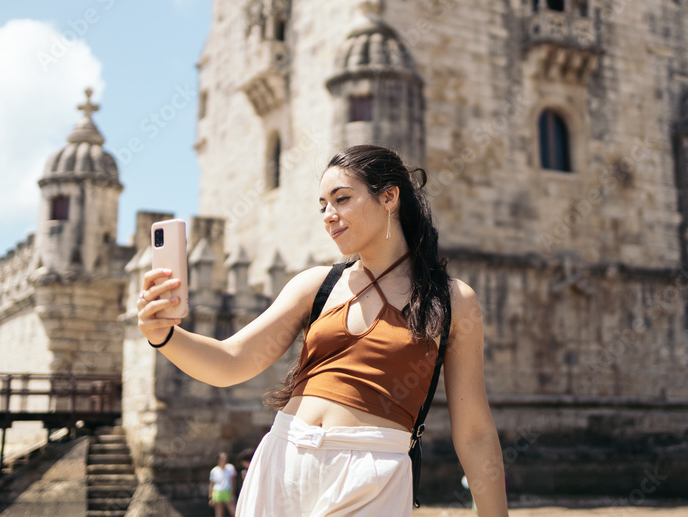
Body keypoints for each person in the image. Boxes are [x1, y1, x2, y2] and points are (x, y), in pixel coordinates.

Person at [137, 144, 509, 516]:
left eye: (342, 199)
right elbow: (232, 361)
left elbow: (475, 432)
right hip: (283, 459)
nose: (329, 216)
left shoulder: (453, 300)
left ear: (389, 197)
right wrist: (164, 335)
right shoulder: (317, 285)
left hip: (372, 474)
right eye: (323, 206)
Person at [208, 451, 237, 516]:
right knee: (219, 513)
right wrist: (210, 497)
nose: (224, 460)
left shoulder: (230, 468)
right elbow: (211, 484)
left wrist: (232, 493)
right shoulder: (214, 470)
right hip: (217, 492)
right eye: (222, 458)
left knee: (234, 512)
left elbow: (233, 481)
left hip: (228, 491)